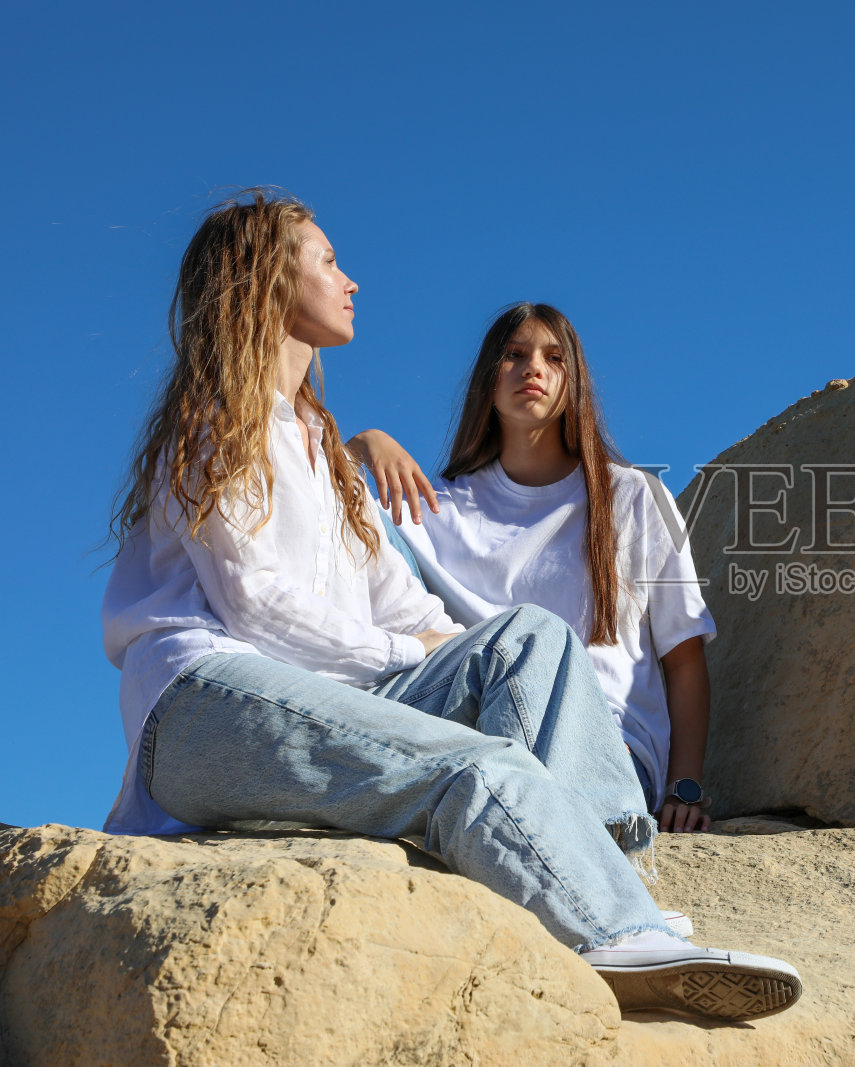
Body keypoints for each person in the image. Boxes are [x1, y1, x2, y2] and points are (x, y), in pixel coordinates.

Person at [101, 189, 799, 1021]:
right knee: (476, 766)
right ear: (266, 282)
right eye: (329, 261)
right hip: (202, 705)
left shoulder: (325, 453)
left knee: (533, 638)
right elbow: (256, 605)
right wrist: (412, 656)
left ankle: (608, 876)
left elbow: (398, 600)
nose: (352, 281)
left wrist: (434, 638)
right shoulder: (219, 422)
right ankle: (613, 929)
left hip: (318, 691)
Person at [348, 304, 714, 834]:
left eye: (554, 358)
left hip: (606, 748)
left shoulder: (635, 496)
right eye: (514, 355)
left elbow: (684, 659)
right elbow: (330, 525)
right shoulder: (435, 508)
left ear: (575, 380)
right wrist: (361, 443)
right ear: (487, 378)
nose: (533, 369)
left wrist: (685, 785)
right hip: (480, 735)